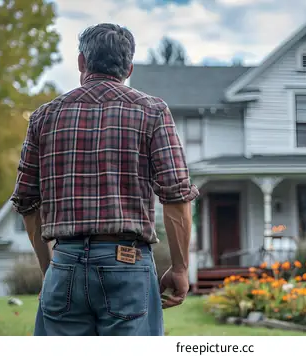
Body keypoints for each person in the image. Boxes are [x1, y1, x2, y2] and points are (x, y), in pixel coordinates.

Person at [11, 23, 198, 336]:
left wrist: (51, 271)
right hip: (127, 262)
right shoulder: (152, 111)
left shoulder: (44, 116)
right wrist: (179, 268)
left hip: (65, 263)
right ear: (129, 68)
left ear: (82, 63)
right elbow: (176, 197)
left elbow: (28, 204)